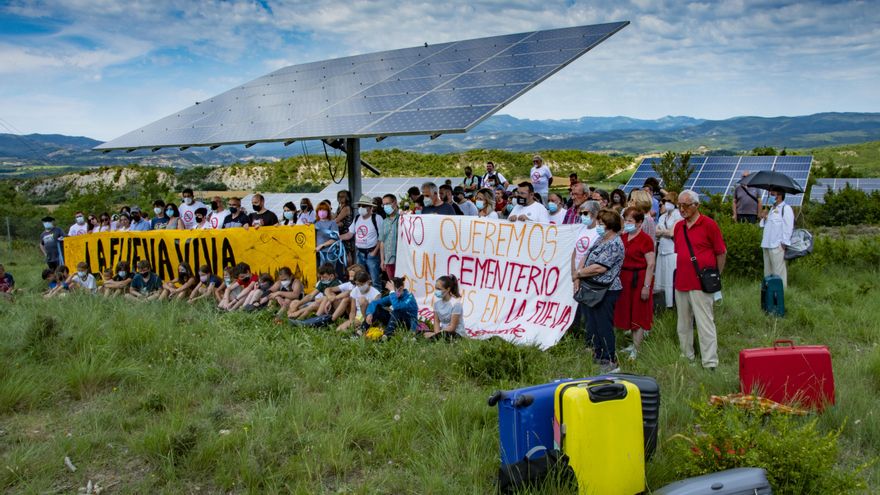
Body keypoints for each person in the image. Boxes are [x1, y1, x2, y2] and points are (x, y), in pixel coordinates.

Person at [673, 190, 727, 371]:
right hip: (681, 281)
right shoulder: (678, 227)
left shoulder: (709, 225)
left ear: (696, 205)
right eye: (679, 205)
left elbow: (721, 252)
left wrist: (715, 275)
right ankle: (686, 354)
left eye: (685, 205)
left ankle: (710, 361)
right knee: (683, 323)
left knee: (705, 322)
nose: (682, 209)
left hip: (701, 283)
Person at [574, 209, 625, 374]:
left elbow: (600, 267)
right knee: (593, 324)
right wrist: (579, 274)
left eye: (602, 224)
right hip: (592, 287)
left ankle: (609, 358)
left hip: (606, 289)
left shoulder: (615, 243)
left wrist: (579, 273)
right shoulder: (601, 239)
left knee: (604, 325)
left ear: (610, 226)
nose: (598, 226)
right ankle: (598, 354)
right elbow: (586, 256)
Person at [614, 207, 656, 360]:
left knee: (638, 313)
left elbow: (650, 264)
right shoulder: (624, 237)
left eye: (630, 221)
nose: (627, 223)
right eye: (625, 220)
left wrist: (646, 286)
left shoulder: (645, 240)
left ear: (639, 223)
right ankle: (632, 343)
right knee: (628, 311)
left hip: (639, 279)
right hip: (625, 278)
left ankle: (637, 349)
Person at [339, 196, 384, 291]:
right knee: (359, 278)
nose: (361, 208)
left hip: (372, 253)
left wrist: (375, 251)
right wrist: (337, 238)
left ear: (370, 207)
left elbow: (381, 237)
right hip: (359, 253)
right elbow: (350, 234)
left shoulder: (377, 218)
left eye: (364, 206)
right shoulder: (357, 218)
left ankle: (377, 302)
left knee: (375, 279)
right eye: (360, 205)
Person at [759, 187, 794, 289]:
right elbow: (763, 225)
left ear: (779, 196)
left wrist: (784, 243)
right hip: (766, 244)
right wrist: (764, 217)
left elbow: (788, 227)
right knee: (768, 272)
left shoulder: (786, 209)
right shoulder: (771, 209)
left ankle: (782, 293)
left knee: (778, 272)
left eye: (772, 194)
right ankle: (769, 293)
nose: (770, 196)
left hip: (777, 245)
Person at [654, 192, 682, 309]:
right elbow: (656, 232)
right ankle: (662, 304)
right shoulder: (662, 217)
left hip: (672, 251)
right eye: (665, 202)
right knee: (661, 277)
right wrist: (665, 232)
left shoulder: (678, 215)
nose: (666, 204)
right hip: (662, 250)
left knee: (671, 278)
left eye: (669, 202)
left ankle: (672, 304)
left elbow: (672, 233)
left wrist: (663, 232)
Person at [424, 275, 465, 339]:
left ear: (448, 289)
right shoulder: (436, 304)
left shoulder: (456, 304)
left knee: (444, 335)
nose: (436, 291)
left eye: (439, 289)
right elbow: (436, 322)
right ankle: (434, 338)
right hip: (442, 332)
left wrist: (436, 335)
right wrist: (436, 334)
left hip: (455, 333)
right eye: (436, 288)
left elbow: (452, 327)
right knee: (422, 332)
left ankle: (434, 338)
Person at [380, 194, 400, 280]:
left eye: (387, 203)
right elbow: (382, 242)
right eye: (383, 205)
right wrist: (382, 260)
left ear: (394, 203)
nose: (385, 206)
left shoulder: (403, 218)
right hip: (388, 260)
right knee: (393, 283)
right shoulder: (384, 222)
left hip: (402, 259)